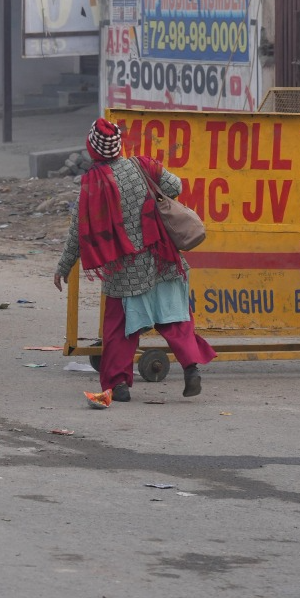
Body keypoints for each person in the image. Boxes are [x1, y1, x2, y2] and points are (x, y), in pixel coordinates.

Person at [54, 117, 215, 407]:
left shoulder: (92, 187)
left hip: (124, 271)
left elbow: (78, 232)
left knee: (118, 328)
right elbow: (175, 185)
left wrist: (64, 267)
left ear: (93, 149)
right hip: (162, 258)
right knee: (175, 318)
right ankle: (191, 368)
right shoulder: (142, 165)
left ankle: (119, 385)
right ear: (118, 146)